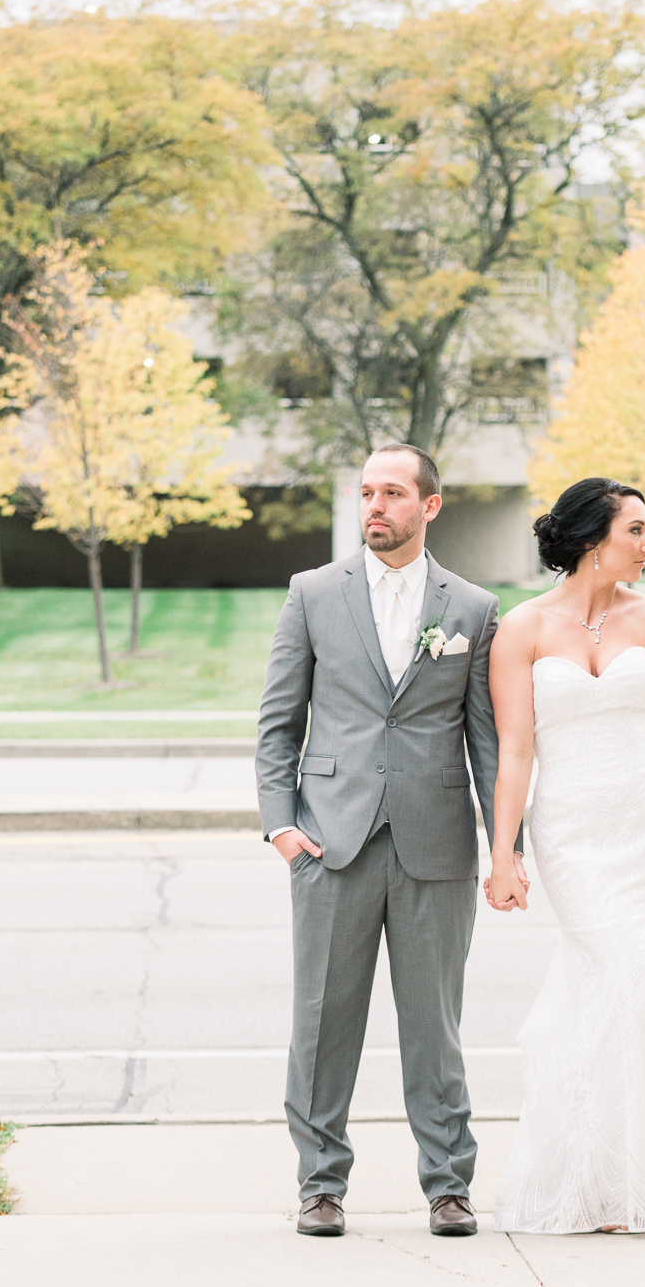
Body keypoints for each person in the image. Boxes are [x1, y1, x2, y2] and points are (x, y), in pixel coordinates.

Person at [255, 444, 526, 1239]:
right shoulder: (312, 594)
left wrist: (503, 849)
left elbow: (487, 743)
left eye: (394, 493)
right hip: (329, 843)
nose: (376, 506)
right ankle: (320, 1185)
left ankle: (448, 1185)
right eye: (368, 492)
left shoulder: (472, 608)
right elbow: (278, 722)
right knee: (322, 1021)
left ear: (429, 506)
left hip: (436, 846)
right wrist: (281, 824)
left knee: (434, 1026)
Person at [485, 476, 645, 1234]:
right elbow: (516, 751)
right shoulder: (523, 629)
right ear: (595, 538)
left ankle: (634, 1182)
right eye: (638, 530)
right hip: (572, 835)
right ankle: (586, 1175)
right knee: (618, 975)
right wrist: (505, 852)